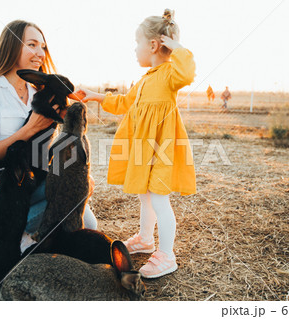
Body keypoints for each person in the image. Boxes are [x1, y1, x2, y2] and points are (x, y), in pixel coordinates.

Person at [75, 9, 196, 278]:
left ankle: (167, 254)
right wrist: (95, 96)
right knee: (145, 195)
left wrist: (175, 46)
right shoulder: (144, 80)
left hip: (161, 150)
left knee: (160, 199)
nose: (135, 49)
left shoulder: (169, 75)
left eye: (137, 43)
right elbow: (124, 104)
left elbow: (187, 72)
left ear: (154, 45)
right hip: (144, 151)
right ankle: (145, 238)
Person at [0, 20, 97, 252]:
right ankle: (13, 233)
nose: (40, 53)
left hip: (34, 177)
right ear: (11, 47)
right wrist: (29, 129)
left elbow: (46, 148)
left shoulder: (41, 90)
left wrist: (72, 176)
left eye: (43, 47)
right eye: (32, 45)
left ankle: (25, 232)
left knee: (86, 214)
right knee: (65, 216)